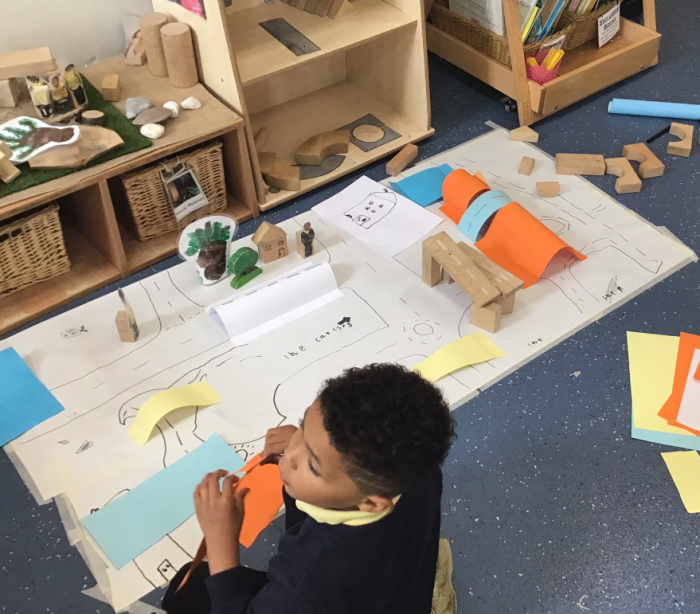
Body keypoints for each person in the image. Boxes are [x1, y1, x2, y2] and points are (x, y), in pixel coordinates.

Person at [163, 363, 456, 614]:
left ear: (371, 503)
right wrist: (318, 451)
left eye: (313, 465)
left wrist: (220, 540)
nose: (289, 456)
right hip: (398, 588)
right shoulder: (417, 467)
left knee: (183, 595)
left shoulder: (306, 582)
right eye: (303, 427)